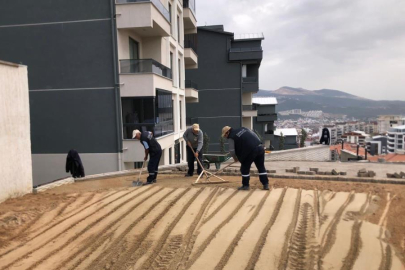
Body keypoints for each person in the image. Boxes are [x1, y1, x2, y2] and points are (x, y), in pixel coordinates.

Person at [222, 126, 269, 191]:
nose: (225, 137)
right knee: (261, 167)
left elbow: (232, 150)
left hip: (250, 151)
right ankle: (266, 184)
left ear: (227, 132)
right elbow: (254, 135)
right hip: (260, 147)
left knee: (244, 169)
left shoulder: (231, 137)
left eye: (225, 135)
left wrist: (235, 158)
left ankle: (245, 185)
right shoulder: (243, 128)